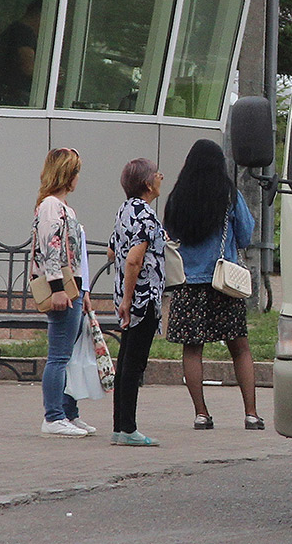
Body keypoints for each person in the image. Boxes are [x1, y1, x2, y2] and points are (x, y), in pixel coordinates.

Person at [161, 139, 263, 430]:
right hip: (224, 284)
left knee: (193, 349)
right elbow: (245, 235)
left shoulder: (177, 197)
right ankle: (251, 414)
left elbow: (170, 233)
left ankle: (201, 414)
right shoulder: (228, 195)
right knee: (240, 348)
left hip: (187, 284)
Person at [31, 147, 97, 438]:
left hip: (74, 289)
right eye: (76, 173)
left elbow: (74, 253)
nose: (79, 179)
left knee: (68, 355)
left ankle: (68, 413)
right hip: (64, 290)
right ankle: (54, 415)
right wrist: (59, 289)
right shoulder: (51, 207)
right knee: (59, 356)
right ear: (67, 175)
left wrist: (84, 291)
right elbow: (51, 251)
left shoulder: (63, 208)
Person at [106, 158, 167, 446]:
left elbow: (112, 251)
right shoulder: (146, 216)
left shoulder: (125, 210)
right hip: (142, 300)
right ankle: (129, 428)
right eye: (156, 174)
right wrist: (130, 300)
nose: (161, 177)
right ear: (147, 183)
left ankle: (120, 426)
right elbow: (134, 259)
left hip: (126, 296)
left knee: (125, 361)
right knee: (134, 364)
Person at [0, 0, 40, 106]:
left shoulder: (11, 30)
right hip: (18, 96)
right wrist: (50, 74)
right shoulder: (24, 33)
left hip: (5, 90)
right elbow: (28, 66)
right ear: (39, 15)